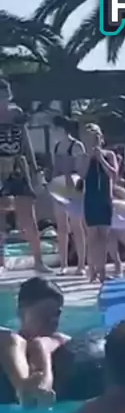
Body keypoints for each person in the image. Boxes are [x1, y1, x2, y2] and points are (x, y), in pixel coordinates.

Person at [0, 78, 51, 273]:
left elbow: (25, 141)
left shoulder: (16, 114)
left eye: (5, 96)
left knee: (28, 216)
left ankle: (38, 261)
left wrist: (35, 168)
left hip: (18, 166)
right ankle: (1, 262)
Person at [0, 277, 68, 406]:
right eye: (44, 314)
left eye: (57, 314)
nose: (53, 320)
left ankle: (42, 388)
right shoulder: (9, 339)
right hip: (14, 342)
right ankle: (23, 388)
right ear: (21, 312)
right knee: (13, 339)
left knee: (40, 344)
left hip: (46, 346)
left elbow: (41, 347)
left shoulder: (55, 339)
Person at [79, 123, 118, 283]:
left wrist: (101, 158)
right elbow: (82, 175)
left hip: (105, 198)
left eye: (96, 138)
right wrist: (90, 158)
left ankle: (102, 270)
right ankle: (92, 269)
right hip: (91, 199)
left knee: (104, 237)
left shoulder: (109, 155)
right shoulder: (83, 157)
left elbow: (113, 174)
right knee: (92, 237)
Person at [51, 115, 86, 275]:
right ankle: (63, 264)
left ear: (61, 129)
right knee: (62, 227)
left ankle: (81, 264)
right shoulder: (57, 146)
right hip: (59, 186)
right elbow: (55, 167)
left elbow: (80, 169)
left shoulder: (76, 145)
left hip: (73, 185)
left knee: (76, 226)